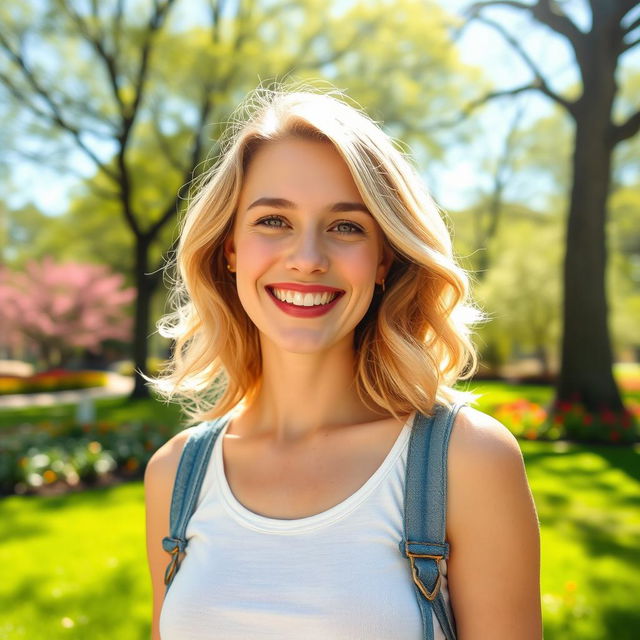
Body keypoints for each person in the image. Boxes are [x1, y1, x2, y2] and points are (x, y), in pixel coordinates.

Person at [143, 84, 542, 639]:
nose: (307, 259)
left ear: (384, 259)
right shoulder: (175, 475)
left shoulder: (466, 460)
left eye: (346, 226)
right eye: (272, 221)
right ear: (230, 248)